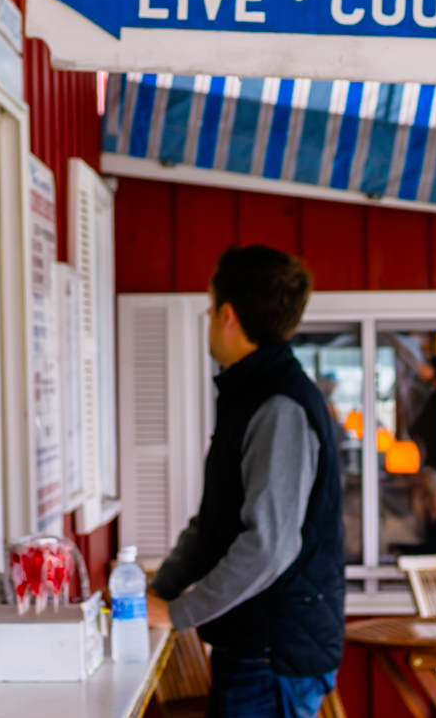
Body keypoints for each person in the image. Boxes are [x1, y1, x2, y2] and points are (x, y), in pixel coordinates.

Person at [151, 246, 344, 718]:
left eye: (211, 308)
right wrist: (160, 591)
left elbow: (268, 545)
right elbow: (215, 521)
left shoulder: (279, 407)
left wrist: (176, 615)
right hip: (255, 649)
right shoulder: (252, 394)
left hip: (270, 657)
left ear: (229, 316)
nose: (210, 319)